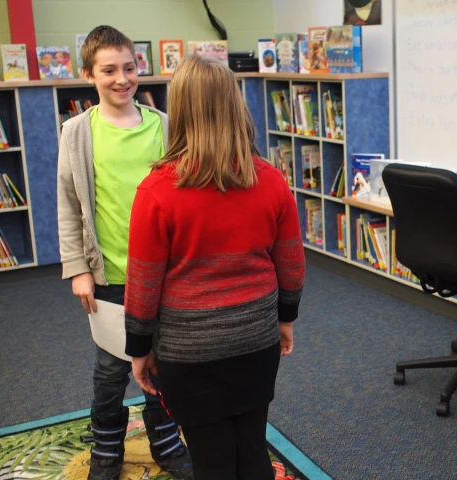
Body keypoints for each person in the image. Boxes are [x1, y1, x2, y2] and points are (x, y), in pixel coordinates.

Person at [124, 54, 306, 480]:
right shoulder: (271, 180)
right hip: (256, 342)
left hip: (189, 355)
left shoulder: (156, 191)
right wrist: (286, 320)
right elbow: (292, 265)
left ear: (180, 111)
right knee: (252, 448)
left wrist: (139, 348)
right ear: (234, 104)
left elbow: (143, 284)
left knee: (211, 461)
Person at [56, 25, 193, 480]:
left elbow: (183, 197)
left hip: (165, 274)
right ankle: (107, 450)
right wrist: (78, 269)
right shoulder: (77, 132)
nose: (122, 79)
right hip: (109, 274)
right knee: (111, 369)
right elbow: (69, 204)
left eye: (130, 68)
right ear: (88, 75)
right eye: (109, 70)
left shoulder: (165, 127)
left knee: (163, 359)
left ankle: (166, 440)